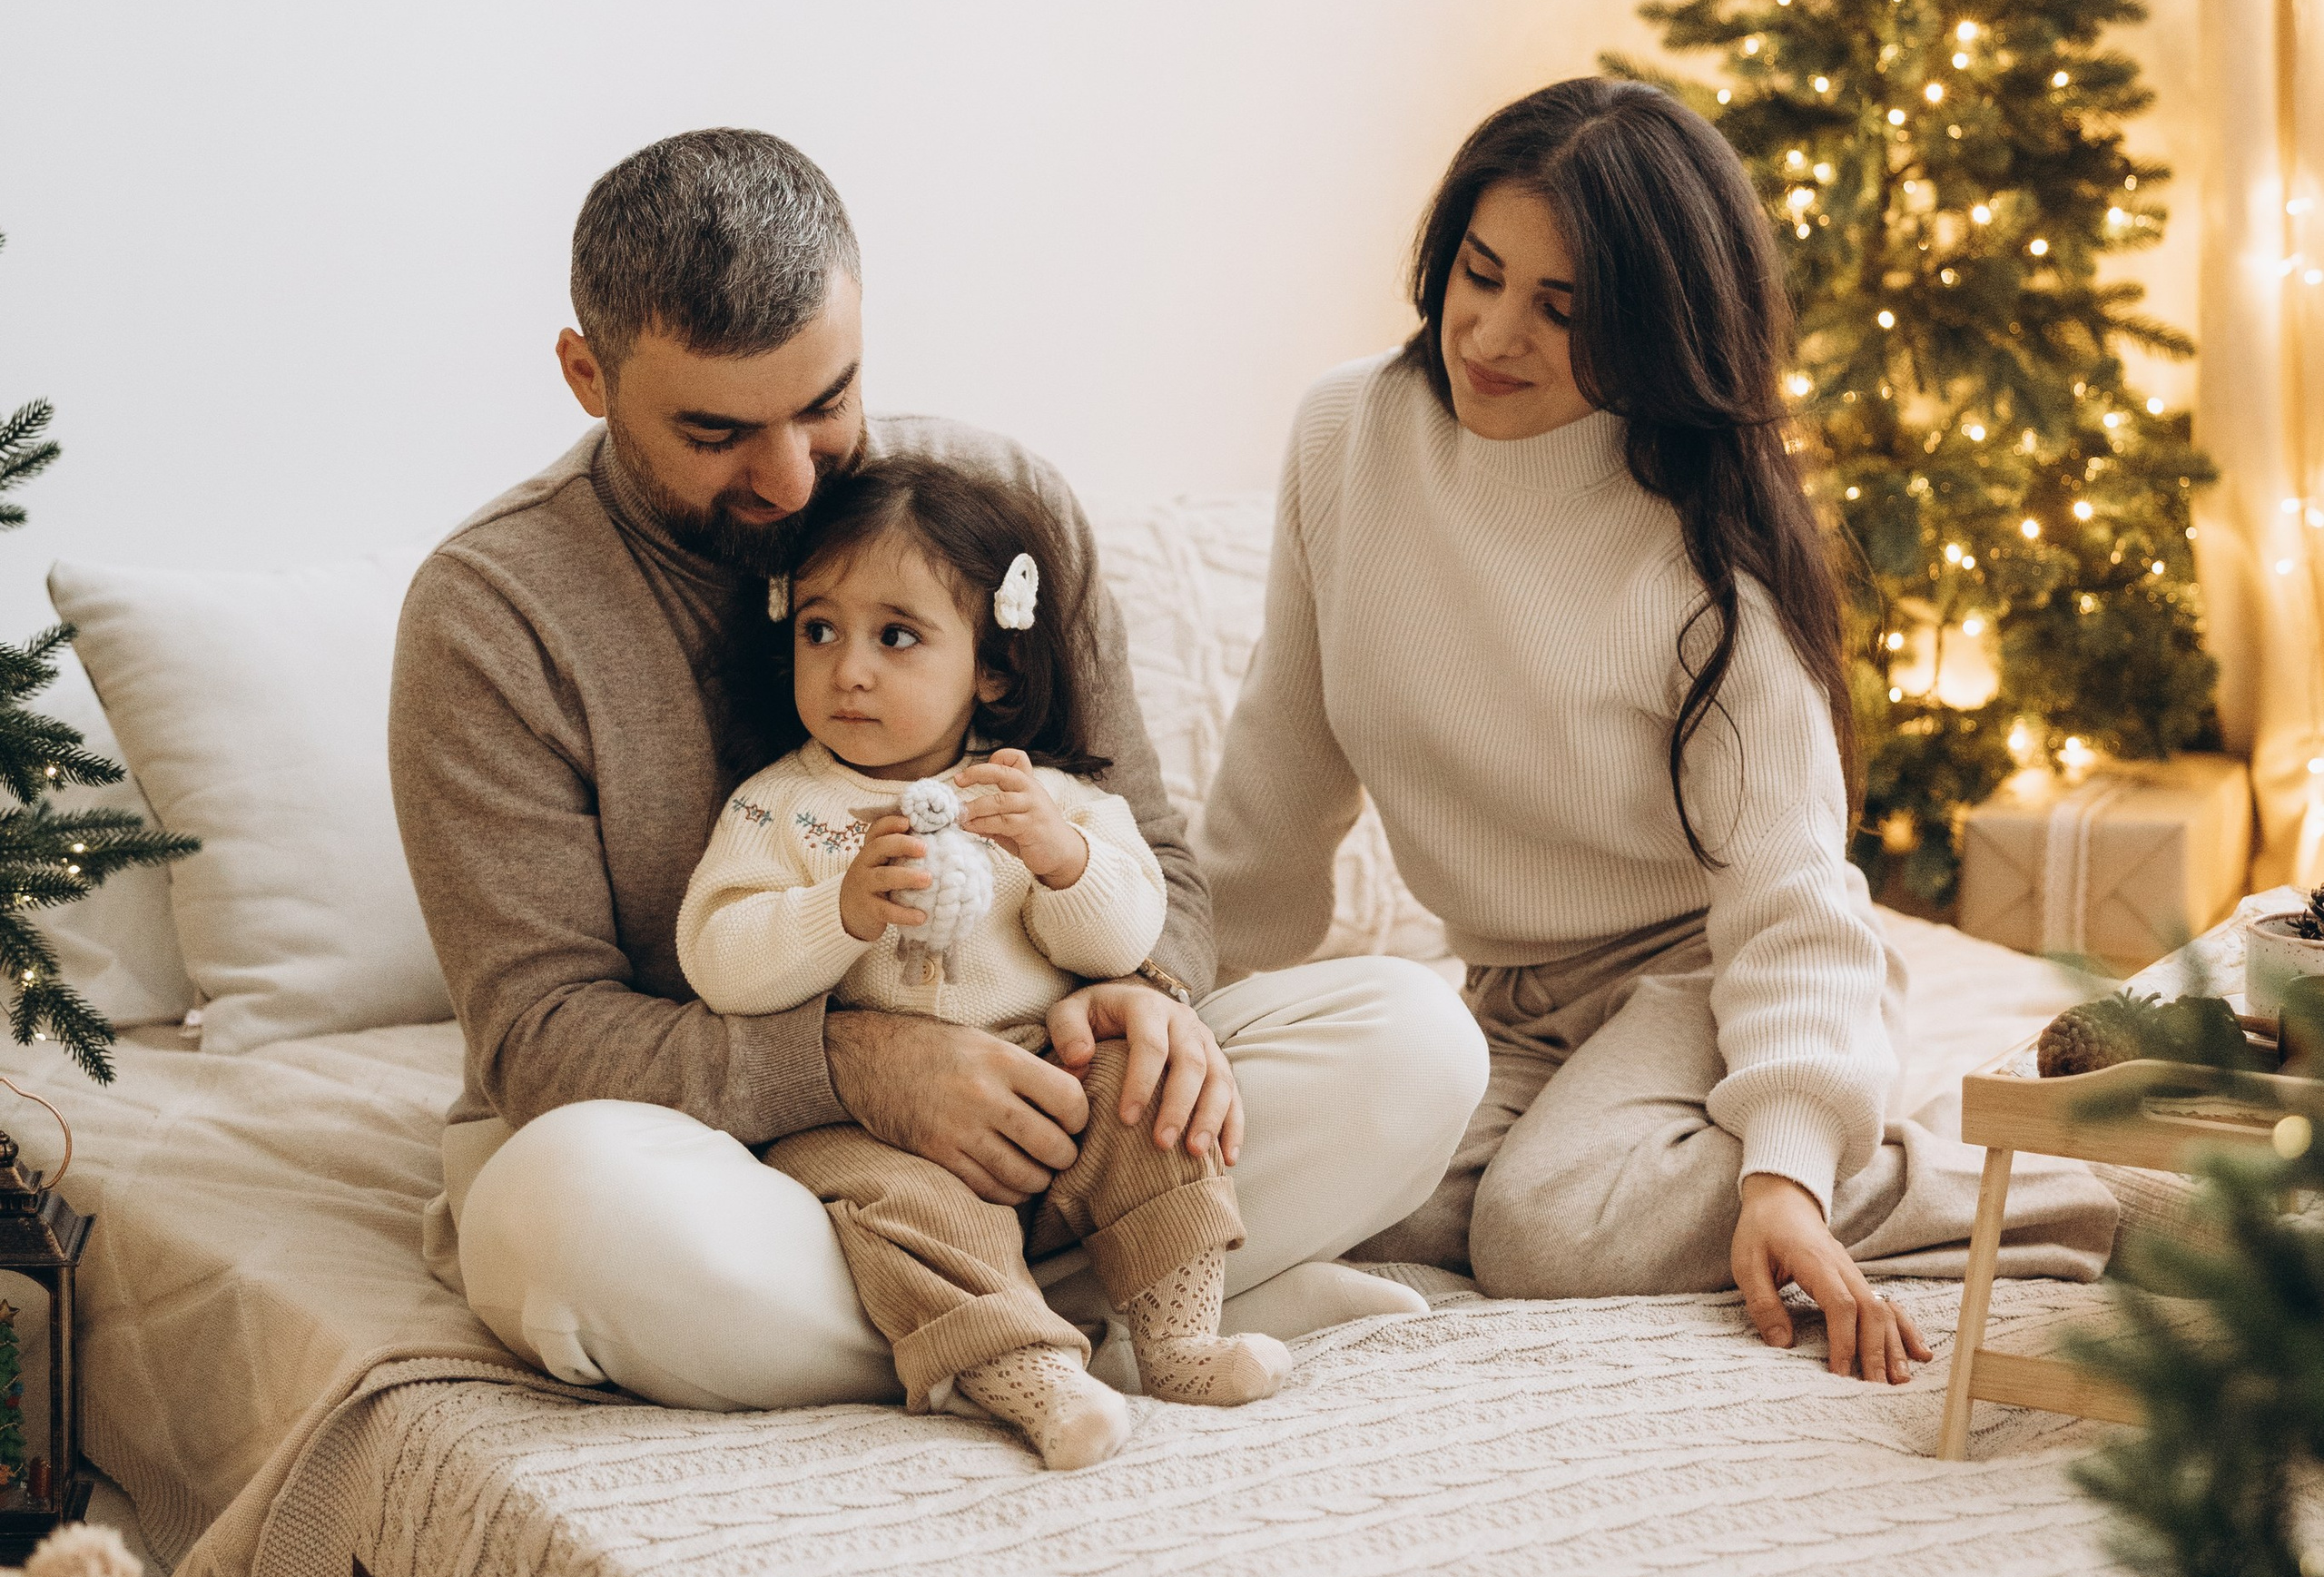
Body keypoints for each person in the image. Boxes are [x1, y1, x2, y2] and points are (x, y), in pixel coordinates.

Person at [389, 126, 1485, 1411]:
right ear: (587, 373)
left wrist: (1152, 991)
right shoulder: (490, 611)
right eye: (717, 432)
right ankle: (1120, 1304)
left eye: (827, 401)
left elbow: (1157, 861)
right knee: (555, 1211)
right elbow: (541, 1037)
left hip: (1039, 1097)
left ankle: (1014, 1312)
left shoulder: (998, 503)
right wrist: (864, 1065)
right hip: (728, 1152)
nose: (792, 477)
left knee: (1415, 1038)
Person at [1201, 76, 2114, 1386]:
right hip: (1508, 998)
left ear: (1652, 331)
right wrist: (1176, 1007)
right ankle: (1688, 1160)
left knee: (1541, 1227)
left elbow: (1788, 892)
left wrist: (1789, 1168)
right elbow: (1276, 789)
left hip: (1707, 975)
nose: (1494, 333)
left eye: (1563, 311)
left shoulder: (1707, 560)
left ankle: (2027, 1191)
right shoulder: (1346, 436)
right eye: (1481, 271)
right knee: (1336, 1177)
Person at [677, 456, 1292, 1468]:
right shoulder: (776, 806)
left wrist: (1062, 860)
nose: (849, 669)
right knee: (905, 1210)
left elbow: (1122, 940)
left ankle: (1177, 1339)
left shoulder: (1048, 799)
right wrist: (840, 914)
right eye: (819, 630)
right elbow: (719, 961)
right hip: (865, 1120)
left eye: (897, 637)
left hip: (1045, 1078)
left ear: (992, 668)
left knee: (1151, 1106)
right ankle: (1030, 1377)